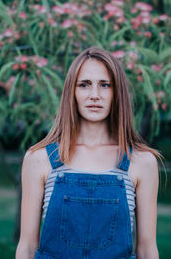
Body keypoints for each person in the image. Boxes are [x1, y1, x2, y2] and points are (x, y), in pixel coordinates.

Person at [16, 46, 161, 259]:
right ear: (72, 92)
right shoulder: (39, 159)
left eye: (105, 85)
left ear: (117, 92)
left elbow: (147, 250)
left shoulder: (141, 162)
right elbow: (27, 247)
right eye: (84, 85)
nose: (95, 95)